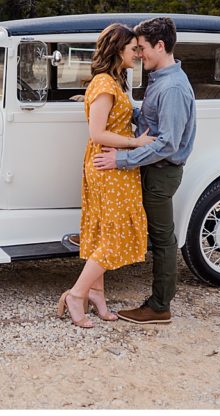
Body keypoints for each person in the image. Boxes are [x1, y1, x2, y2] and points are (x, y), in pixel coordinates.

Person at [93, 17, 195, 324]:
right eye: (134, 49)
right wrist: (109, 104)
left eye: (142, 48)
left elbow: (167, 144)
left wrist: (120, 160)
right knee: (152, 234)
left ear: (160, 46)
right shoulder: (161, 79)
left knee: (163, 239)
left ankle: (159, 306)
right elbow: (149, 119)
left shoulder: (173, 87)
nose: (139, 55)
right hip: (151, 167)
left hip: (161, 171)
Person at [57, 24, 153, 328]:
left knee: (104, 231)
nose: (137, 54)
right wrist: (134, 142)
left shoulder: (112, 82)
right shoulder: (104, 84)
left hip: (114, 165)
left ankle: (97, 294)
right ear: (117, 49)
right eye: (132, 49)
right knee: (113, 234)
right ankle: (77, 294)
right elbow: (97, 131)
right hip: (107, 165)